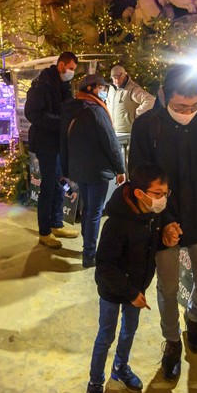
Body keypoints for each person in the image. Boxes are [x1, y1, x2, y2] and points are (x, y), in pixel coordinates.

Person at [129, 64, 197, 380]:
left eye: (195, 106)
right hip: (162, 224)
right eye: (180, 106)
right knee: (168, 287)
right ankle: (172, 341)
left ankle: (193, 319)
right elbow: (138, 180)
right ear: (164, 96)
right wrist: (161, 223)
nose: (188, 112)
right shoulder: (147, 126)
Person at [85, 164, 174, 393]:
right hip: (114, 291)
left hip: (137, 288)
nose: (162, 199)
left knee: (129, 331)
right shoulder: (116, 224)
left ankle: (120, 367)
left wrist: (166, 236)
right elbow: (104, 267)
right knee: (106, 336)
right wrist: (129, 292)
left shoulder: (152, 215)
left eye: (166, 193)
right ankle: (94, 384)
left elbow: (147, 246)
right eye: (157, 193)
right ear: (139, 193)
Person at [60, 74, 126, 268]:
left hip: (79, 170)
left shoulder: (71, 108)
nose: (104, 91)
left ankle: (86, 246)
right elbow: (111, 142)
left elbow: (63, 142)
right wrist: (120, 168)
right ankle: (89, 254)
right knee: (94, 212)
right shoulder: (96, 111)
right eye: (101, 87)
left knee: (88, 208)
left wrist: (66, 169)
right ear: (91, 89)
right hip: (97, 170)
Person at [25, 51, 79, 248]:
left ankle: (56, 223)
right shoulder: (41, 86)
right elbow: (33, 114)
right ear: (62, 65)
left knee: (58, 183)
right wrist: (62, 123)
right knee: (48, 186)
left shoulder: (62, 85)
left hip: (58, 142)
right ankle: (44, 232)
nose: (72, 72)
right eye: (71, 68)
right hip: (45, 143)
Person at [108, 64, 155, 133]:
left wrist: (137, 115)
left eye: (120, 77)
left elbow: (150, 100)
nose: (117, 80)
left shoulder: (132, 89)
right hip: (114, 131)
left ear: (124, 75)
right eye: (114, 78)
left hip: (129, 132)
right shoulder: (111, 89)